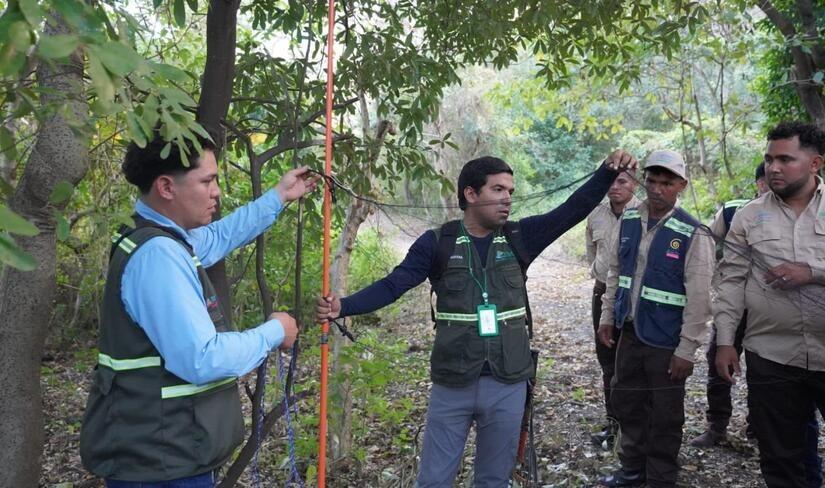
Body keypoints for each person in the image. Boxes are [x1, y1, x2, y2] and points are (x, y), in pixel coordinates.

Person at [316, 152, 638, 487]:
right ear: (471, 194)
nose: (507, 199)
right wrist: (344, 306)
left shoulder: (519, 237)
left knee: (493, 481)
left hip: (508, 382)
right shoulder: (436, 243)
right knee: (433, 481)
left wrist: (606, 172)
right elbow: (393, 285)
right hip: (453, 381)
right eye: (498, 190)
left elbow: (572, 209)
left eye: (510, 191)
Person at [80, 133, 319, 486]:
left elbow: (219, 237)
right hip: (160, 464)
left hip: (165, 453)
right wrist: (274, 332)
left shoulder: (157, 236)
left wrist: (279, 196)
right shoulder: (158, 256)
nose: (217, 191)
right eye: (207, 180)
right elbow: (201, 359)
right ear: (166, 187)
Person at [715, 121, 825, 488]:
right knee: (781, 458)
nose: (773, 168)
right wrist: (726, 341)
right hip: (771, 355)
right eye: (769, 159)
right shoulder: (748, 216)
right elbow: (730, 282)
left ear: (814, 164)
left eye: (785, 159)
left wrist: (811, 272)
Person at [597, 150, 714, 488]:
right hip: (630, 331)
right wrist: (608, 316)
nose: (658, 189)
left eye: (667, 183)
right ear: (643, 181)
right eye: (652, 181)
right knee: (627, 401)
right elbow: (617, 271)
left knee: (665, 412)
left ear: (681, 186)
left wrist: (687, 349)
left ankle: (661, 477)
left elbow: (700, 298)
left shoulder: (695, 232)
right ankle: (632, 469)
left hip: (667, 339)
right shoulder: (630, 219)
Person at [690, 163, 768, 447]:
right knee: (718, 361)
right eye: (765, 181)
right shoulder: (734, 211)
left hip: (769, 310)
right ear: (759, 183)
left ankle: (759, 427)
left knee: (765, 369)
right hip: (733, 304)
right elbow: (705, 245)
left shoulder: (800, 215)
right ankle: (717, 426)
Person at [585, 170, 640, 447]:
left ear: (635, 183)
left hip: (632, 299)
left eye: (623, 181)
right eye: (611, 181)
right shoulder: (595, 214)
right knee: (607, 362)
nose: (615, 187)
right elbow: (593, 255)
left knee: (631, 364)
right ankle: (614, 424)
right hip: (602, 293)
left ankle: (635, 428)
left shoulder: (644, 213)